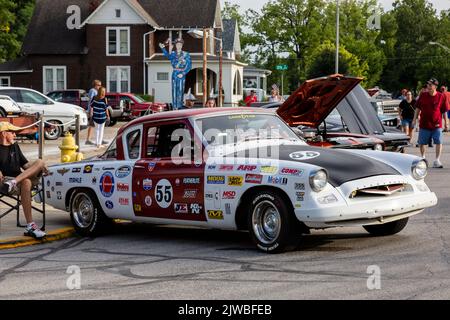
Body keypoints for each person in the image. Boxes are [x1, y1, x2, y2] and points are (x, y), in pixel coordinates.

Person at [0, 122, 48, 239]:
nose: (15, 135)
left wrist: (37, 168)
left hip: (17, 180)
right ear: (3, 133)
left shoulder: (15, 146)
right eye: (12, 132)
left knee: (40, 162)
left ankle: (14, 182)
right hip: (5, 182)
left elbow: (25, 166)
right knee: (26, 182)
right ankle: (30, 226)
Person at [412, 78, 448, 168]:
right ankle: (423, 158)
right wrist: (414, 119)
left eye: (430, 85)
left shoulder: (441, 96)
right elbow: (417, 108)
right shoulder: (423, 95)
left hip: (437, 124)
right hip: (424, 124)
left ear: (435, 86)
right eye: (428, 84)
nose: (428, 86)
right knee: (422, 143)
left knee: (439, 142)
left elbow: (444, 111)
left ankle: (437, 160)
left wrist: (446, 122)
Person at [159, 38, 192, 110]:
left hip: (181, 73)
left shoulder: (186, 54)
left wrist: (183, 73)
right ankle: (174, 107)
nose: (178, 46)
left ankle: (179, 106)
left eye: (180, 44)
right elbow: (168, 56)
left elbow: (189, 66)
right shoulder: (173, 53)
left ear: (182, 45)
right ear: (176, 45)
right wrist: (163, 48)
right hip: (174, 73)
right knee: (174, 90)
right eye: (177, 44)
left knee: (180, 90)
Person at [85, 80, 101, 145]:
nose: (100, 86)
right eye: (98, 85)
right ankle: (88, 140)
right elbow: (91, 101)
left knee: (97, 125)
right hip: (93, 110)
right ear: (95, 85)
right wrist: (91, 111)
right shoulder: (92, 91)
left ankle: (99, 139)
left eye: (100, 85)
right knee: (91, 125)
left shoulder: (96, 91)